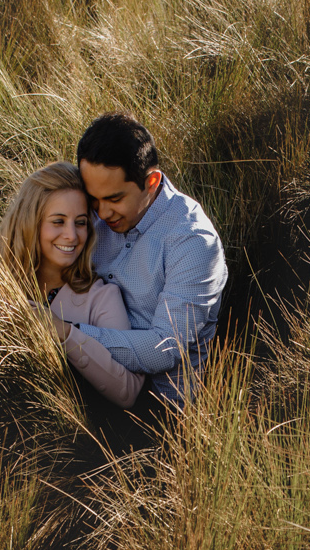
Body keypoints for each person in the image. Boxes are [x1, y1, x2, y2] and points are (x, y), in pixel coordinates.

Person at [0, 161, 148, 409]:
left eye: (80, 222)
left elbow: (128, 390)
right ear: (32, 222)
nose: (72, 235)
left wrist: (63, 332)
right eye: (58, 221)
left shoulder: (101, 296)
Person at [70, 113, 228, 408]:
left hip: (159, 407)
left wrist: (69, 334)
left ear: (152, 182)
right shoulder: (93, 212)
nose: (101, 214)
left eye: (115, 199)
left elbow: (166, 348)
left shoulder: (193, 241)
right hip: (87, 377)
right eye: (94, 199)